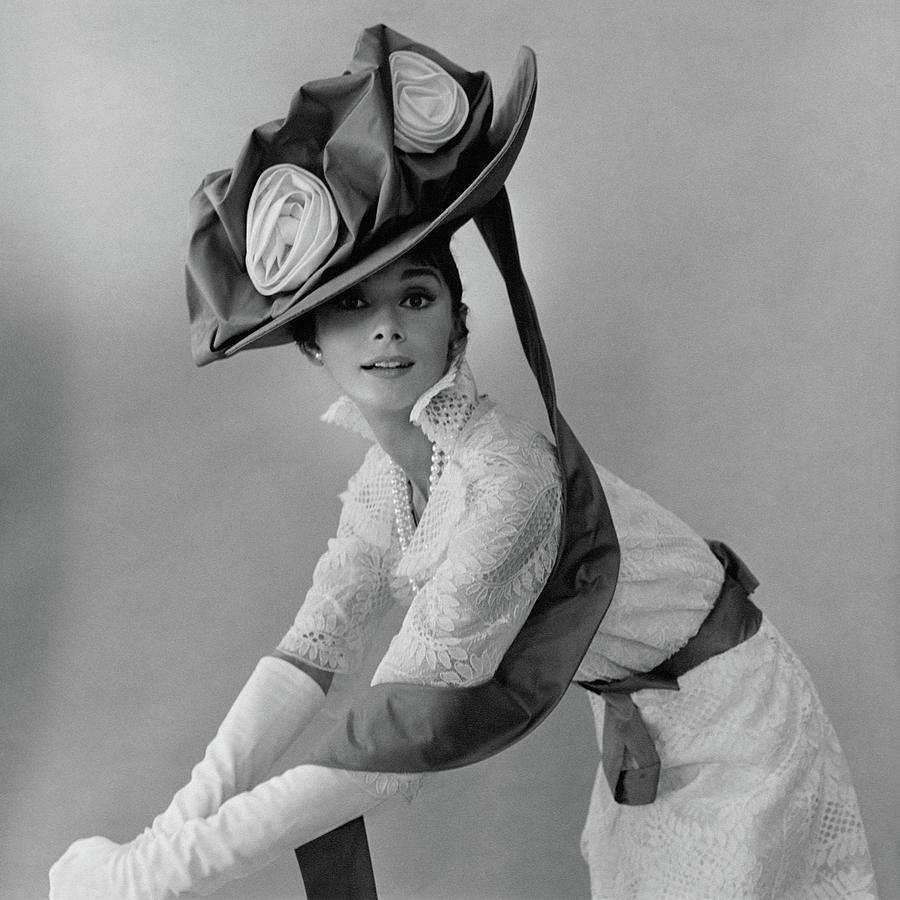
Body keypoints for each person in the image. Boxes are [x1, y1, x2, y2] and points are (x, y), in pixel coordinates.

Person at [49, 25, 877, 900]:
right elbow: (309, 656)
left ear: (457, 319)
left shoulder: (504, 482)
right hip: (638, 709)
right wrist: (157, 839)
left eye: (415, 295)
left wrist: (157, 877)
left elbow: (394, 741)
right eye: (350, 305)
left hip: (733, 709)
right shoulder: (381, 490)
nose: (386, 326)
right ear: (310, 348)